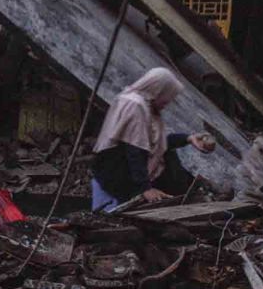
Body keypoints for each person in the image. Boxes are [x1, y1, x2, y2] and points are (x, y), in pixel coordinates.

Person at [90, 67, 216, 211]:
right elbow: (134, 150)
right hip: (116, 172)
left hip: (130, 169)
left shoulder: (148, 107)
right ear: (158, 90)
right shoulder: (134, 104)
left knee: (170, 156)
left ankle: (193, 194)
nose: (168, 102)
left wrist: (188, 139)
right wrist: (145, 189)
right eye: (167, 96)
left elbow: (157, 144)